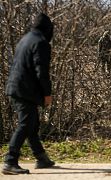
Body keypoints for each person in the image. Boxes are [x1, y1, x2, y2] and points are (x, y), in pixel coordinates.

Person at [2, 13, 55, 175]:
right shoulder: (41, 43)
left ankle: (41, 157)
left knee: (32, 124)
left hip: (16, 88)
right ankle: (10, 161)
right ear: (47, 29)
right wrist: (47, 94)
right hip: (25, 90)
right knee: (25, 124)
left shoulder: (25, 39)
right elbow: (41, 71)